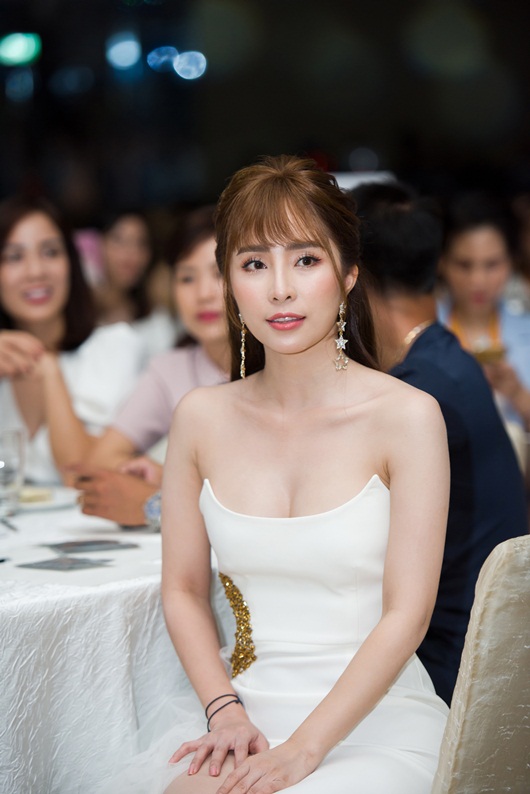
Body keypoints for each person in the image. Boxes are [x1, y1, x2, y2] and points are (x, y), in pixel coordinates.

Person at [108, 155, 450, 794]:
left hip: (375, 721)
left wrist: (304, 750)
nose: (280, 289)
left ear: (348, 274)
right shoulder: (201, 417)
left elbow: (408, 614)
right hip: (248, 716)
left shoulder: (408, 417)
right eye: (254, 264)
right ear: (229, 281)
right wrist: (223, 710)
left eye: (306, 260)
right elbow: (182, 588)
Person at [351, 180, 528, 706]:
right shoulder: (445, 358)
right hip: (483, 648)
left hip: (445, 665)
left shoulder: (418, 394)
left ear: (353, 277)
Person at [74, 206, 229, 527]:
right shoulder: (171, 369)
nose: (202, 294)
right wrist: (164, 482)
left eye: (218, 274)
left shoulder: (282, 364)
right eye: (186, 278)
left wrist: (166, 496)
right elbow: (99, 463)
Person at [0, 196, 144, 485]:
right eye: (14, 257)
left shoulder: (116, 348)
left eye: (50, 252)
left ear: (72, 263)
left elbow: (82, 475)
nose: (36, 271)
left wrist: (49, 367)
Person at [437, 192, 530, 433]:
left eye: (492, 264)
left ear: (512, 262)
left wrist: (518, 394)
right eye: (464, 265)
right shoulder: (419, 330)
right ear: (442, 262)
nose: (478, 280)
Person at [94, 209, 178, 361]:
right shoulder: (81, 314)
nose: (131, 253)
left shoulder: (157, 318)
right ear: (99, 244)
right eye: (119, 240)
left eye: (141, 243)